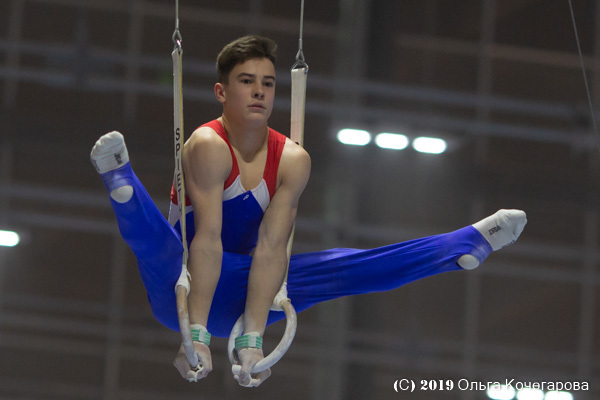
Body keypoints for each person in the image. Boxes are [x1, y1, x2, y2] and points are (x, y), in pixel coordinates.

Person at [90, 35, 527, 387]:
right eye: (247, 81)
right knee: (160, 248)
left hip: (253, 290)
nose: (260, 90)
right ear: (221, 91)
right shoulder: (207, 145)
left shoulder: (293, 160)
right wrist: (196, 336)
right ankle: (122, 182)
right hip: (184, 288)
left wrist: (253, 340)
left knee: (345, 266)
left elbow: (271, 245)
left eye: (268, 82)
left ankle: (464, 243)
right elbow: (205, 239)